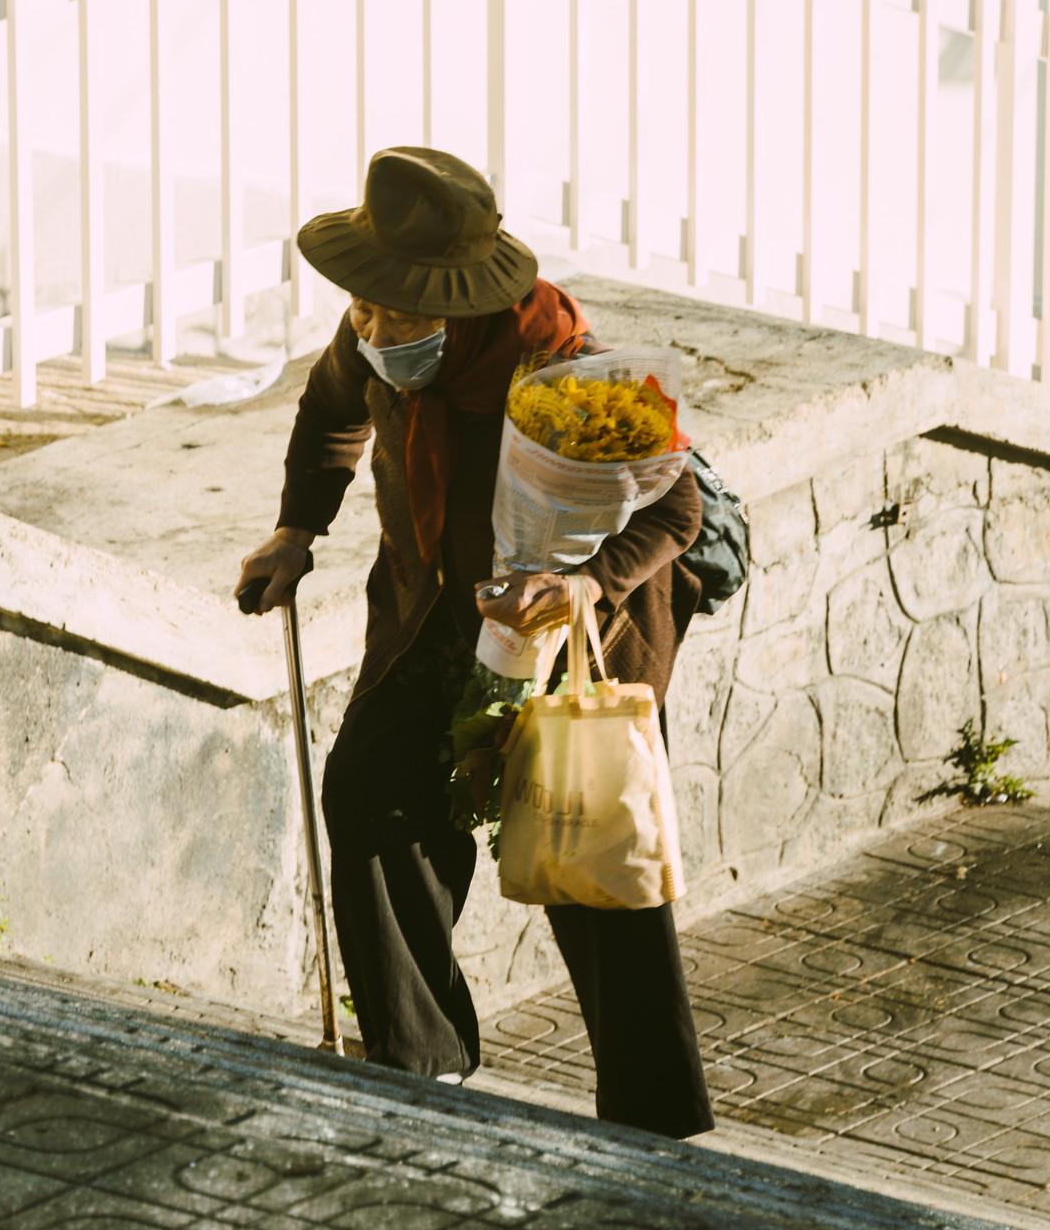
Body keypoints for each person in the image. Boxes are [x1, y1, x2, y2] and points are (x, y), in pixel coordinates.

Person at [235, 145, 714, 1139]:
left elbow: (678, 509)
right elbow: (331, 411)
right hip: (436, 622)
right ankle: (420, 1071)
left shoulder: (567, 372)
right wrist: (297, 526)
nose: (372, 326)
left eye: (398, 310)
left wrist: (582, 583)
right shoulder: (371, 335)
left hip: (567, 648)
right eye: (366, 304)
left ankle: (660, 1126)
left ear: (457, 302)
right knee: (371, 797)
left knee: (593, 871)